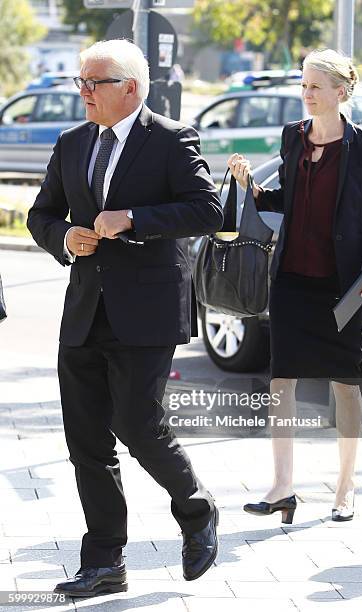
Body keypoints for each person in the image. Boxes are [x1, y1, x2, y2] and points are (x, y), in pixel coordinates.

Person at [27, 39, 223, 597]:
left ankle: (196, 509)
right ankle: (105, 562)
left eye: (94, 83)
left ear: (129, 88)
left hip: (148, 309)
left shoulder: (170, 139)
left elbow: (207, 210)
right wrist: (65, 236)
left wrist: (134, 218)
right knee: (87, 440)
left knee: (139, 425)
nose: (84, 92)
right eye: (80, 83)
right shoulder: (71, 143)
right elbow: (40, 214)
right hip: (86, 310)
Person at [227, 48, 362, 524]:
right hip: (292, 278)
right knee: (281, 380)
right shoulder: (291, 138)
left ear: (341, 92)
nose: (306, 93)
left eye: (314, 86)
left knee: (345, 384)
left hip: (341, 284)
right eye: (303, 84)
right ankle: (282, 487)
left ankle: (345, 486)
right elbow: (288, 200)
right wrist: (252, 189)